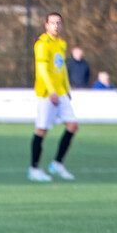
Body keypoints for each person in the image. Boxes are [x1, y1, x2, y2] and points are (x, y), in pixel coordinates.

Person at [28, 12, 79, 182]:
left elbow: (61, 68)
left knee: (72, 126)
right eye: (52, 23)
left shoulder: (61, 44)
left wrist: (67, 89)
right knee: (41, 130)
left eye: (58, 23)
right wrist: (51, 91)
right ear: (46, 25)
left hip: (61, 93)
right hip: (47, 94)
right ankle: (34, 168)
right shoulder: (42, 44)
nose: (56, 26)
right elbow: (42, 70)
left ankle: (57, 163)